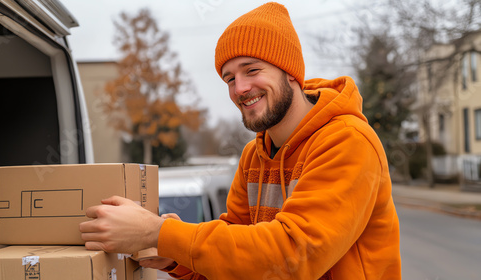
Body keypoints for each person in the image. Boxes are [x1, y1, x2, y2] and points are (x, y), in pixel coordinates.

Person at [79, 2, 402, 279]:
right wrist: (175, 256)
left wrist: (158, 233)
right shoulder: (254, 156)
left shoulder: (347, 141)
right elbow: (239, 264)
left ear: (291, 73)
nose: (240, 88)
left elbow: (293, 257)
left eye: (252, 70)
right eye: (229, 78)